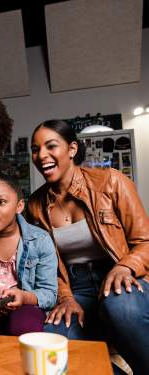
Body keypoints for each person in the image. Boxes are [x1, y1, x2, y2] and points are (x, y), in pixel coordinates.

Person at [27, 119, 149, 375]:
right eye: (35, 149)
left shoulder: (112, 182)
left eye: (51, 146)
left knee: (120, 306)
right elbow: (43, 264)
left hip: (122, 278)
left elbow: (145, 241)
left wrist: (125, 266)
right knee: (53, 346)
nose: (42, 156)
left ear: (72, 149)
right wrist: (66, 298)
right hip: (76, 287)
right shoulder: (35, 206)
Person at [0, 174, 57, 335]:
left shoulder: (41, 240)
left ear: (19, 206)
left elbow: (49, 293)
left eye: (1, 202)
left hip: (26, 307)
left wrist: (24, 297)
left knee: (23, 325)